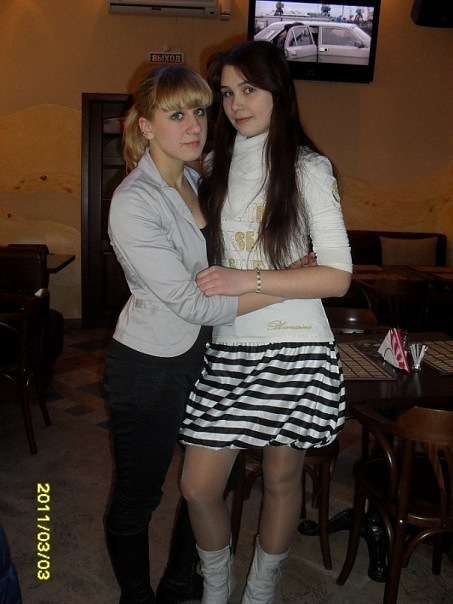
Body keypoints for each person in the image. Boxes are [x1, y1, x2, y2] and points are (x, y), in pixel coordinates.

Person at [103, 64, 284, 604]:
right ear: (146, 126)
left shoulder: (199, 182)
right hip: (150, 366)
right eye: (176, 114)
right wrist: (284, 286)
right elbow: (191, 301)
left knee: (213, 483)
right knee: (139, 495)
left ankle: (179, 581)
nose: (194, 125)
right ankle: (136, 595)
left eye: (200, 111)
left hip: (212, 355)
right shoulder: (134, 200)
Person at [179, 40, 352, 604]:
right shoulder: (213, 167)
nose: (235, 104)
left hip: (296, 347)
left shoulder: (308, 167)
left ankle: (260, 591)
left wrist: (247, 280)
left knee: (281, 479)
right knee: (198, 486)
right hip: (230, 347)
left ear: (278, 91)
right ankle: (217, 585)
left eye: (248, 89)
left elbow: (337, 277)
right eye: (227, 93)